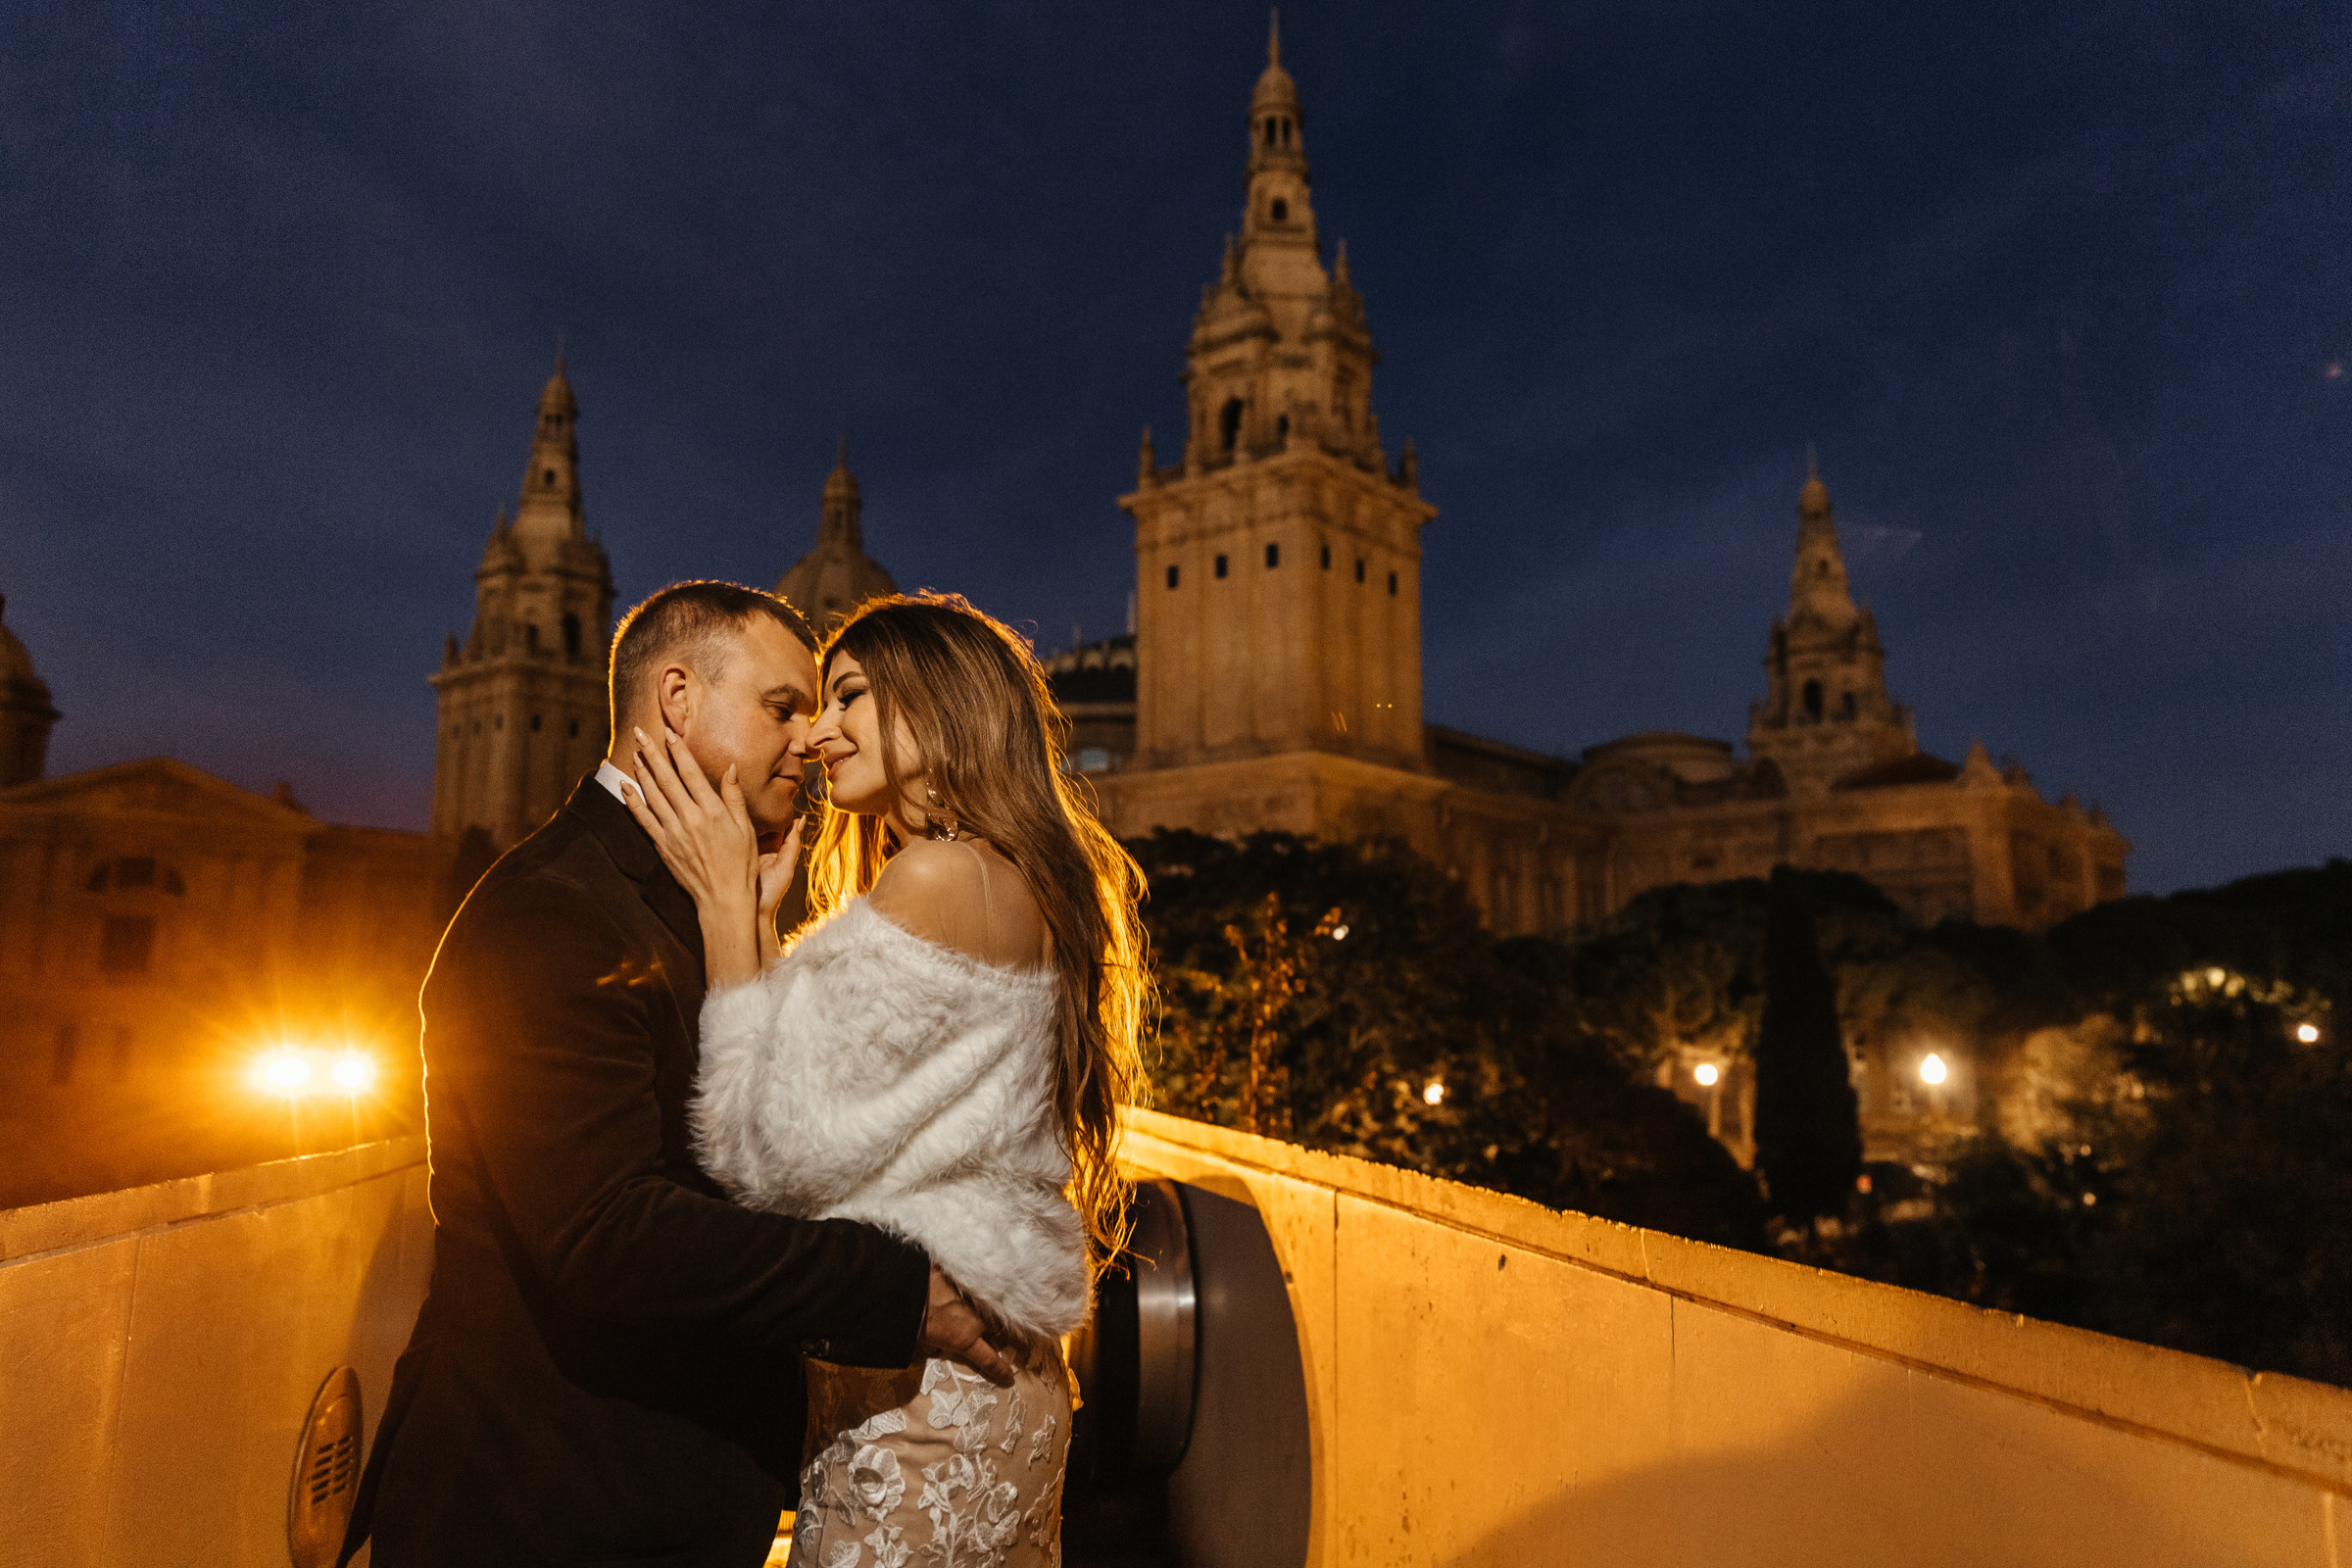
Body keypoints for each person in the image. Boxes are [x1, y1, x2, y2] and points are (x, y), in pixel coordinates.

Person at [344, 581, 1011, 1568]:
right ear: (677, 698)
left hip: (659, 1505)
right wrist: (901, 1292)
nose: (811, 740)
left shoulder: (708, 898)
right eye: (782, 707)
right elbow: (608, 1234)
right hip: (544, 1512)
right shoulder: (553, 909)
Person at [619, 592, 1147, 1568]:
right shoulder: (1006, 874)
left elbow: (763, 1149)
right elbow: (832, 1086)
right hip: (980, 1385)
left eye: (848, 696)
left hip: (925, 1401)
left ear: (939, 702)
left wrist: (725, 907)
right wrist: (764, 924)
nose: (817, 736)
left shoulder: (940, 877)